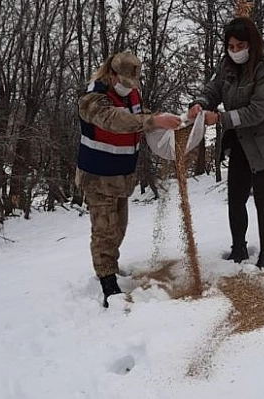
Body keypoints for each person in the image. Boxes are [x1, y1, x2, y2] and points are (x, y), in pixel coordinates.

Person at [188, 17, 264, 270]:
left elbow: (258, 111)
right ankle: (238, 248)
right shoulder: (228, 65)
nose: (235, 51)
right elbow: (215, 88)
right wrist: (201, 102)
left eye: (240, 46)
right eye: (231, 47)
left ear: (252, 43)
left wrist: (220, 118)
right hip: (240, 141)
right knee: (236, 197)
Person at [78, 51, 181, 307]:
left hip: (121, 177)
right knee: (104, 231)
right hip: (98, 177)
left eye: (132, 83)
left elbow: (140, 117)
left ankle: (109, 266)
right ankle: (107, 283)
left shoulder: (133, 95)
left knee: (118, 229)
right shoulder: (93, 98)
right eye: (123, 82)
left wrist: (164, 124)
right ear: (111, 75)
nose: (128, 88)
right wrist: (152, 121)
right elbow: (115, 120)